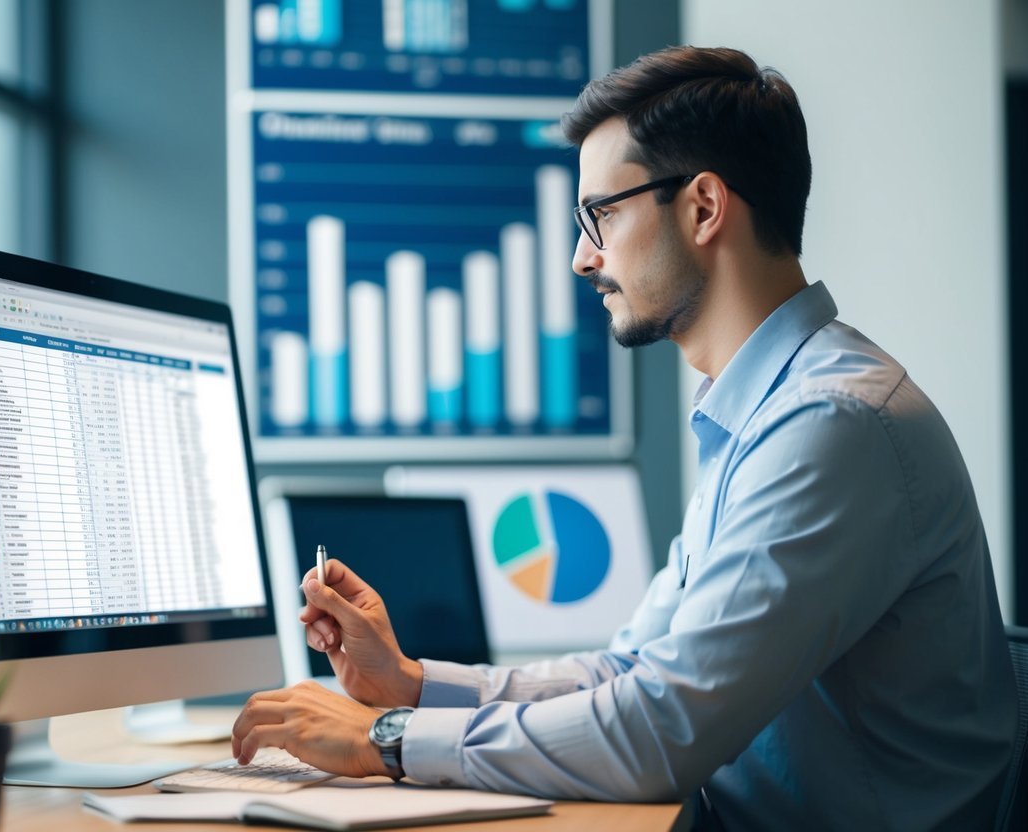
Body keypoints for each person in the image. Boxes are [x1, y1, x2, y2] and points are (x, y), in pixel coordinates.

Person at [232, 46, 1016, 829]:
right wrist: (409, 684)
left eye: (601, 214)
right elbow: (631, 673)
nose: (582, 257)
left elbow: (656, 732)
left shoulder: (831, 426)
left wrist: (388, 739)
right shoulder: (761, 415)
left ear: (704, 208)